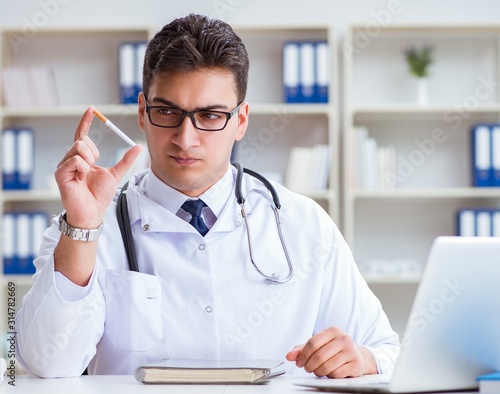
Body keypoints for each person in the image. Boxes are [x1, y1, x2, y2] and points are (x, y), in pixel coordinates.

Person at [16, 13, 400, 378]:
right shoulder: (85, 229)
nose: (185, 138)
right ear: (141, 111)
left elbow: (386, 349)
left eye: (211, 116)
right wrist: (82, 227)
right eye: (167, 112)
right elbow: (47, 364)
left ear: (241, 120)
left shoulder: (305, 224)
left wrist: (362, 359)